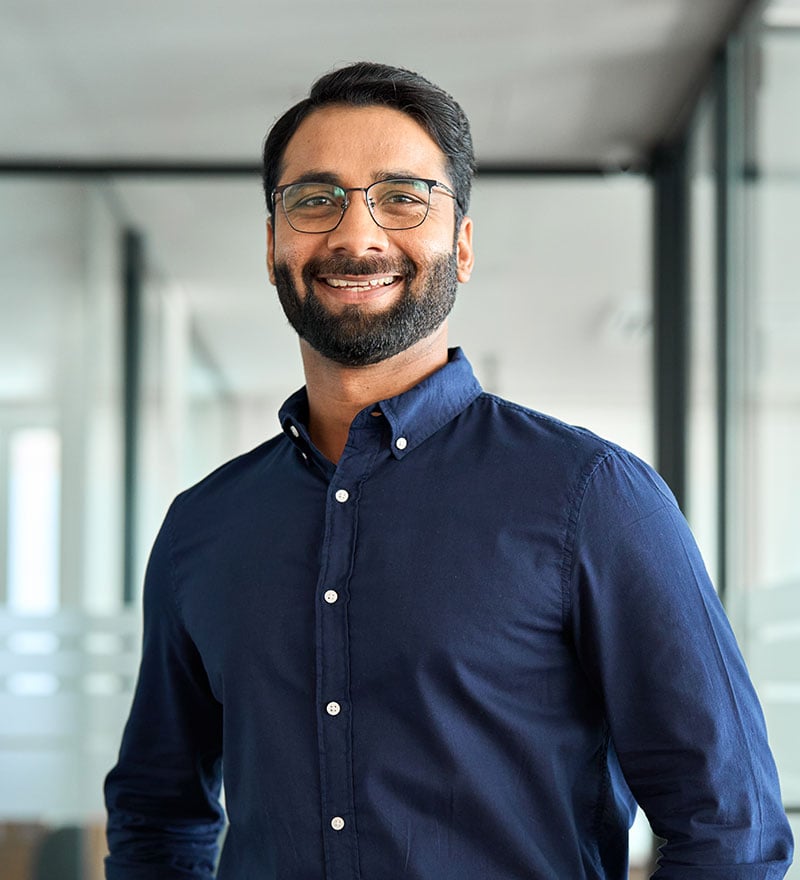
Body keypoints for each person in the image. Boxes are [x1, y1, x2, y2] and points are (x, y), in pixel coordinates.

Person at [104, 62, 793, 879]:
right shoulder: (203, 528)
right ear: (273, 245)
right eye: (315, 200)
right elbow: (156, 817)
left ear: (460, 244)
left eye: (402, 198)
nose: (356, 237)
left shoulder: (591, 495)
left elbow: (730, 829)